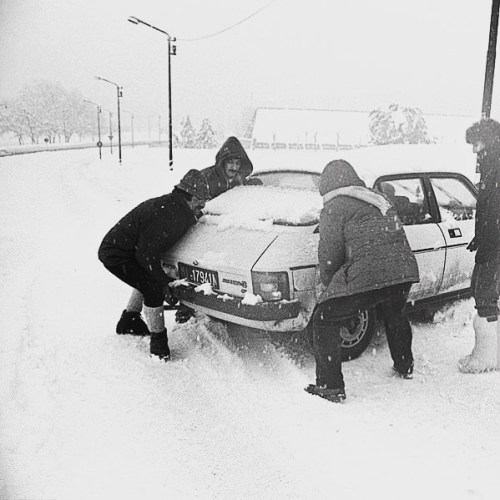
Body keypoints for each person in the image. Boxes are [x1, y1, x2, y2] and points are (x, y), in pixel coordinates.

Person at [305, 160, 420, 403]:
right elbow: (394, 232)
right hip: (402, 270)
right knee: (395, 312)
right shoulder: (377, 198)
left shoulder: (334, 207)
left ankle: (330, 386)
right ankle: (404, 365)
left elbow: (329, 257)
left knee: (324, 318)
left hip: (372, 273)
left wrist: (330, 286)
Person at [98, 169, 210, 361]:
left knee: (146, 280)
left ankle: (128, 322)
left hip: (126, 250)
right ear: (190, 197)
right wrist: (164, 282)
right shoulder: (171, 214)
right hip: (116, 253)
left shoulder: (174, 207)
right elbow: (146, 254)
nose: (203, 205)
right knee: (152, 289)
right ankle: (158, 346)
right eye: (200, 200)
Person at [174, 136, 254, 324]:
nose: (234, 167)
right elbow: (189, 203)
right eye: (230, 163)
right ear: (222, 163)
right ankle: (186, 305)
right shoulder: (206, 178)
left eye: (237, 163)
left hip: (222, 230)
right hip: (198, 227)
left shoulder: (239, 180)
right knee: (194, 266)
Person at [458, 118, 500, 373]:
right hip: (491, 240)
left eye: (476, 143)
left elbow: (494, 209)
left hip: (495, 244)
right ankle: (490, 354)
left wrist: (489, 242)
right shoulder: (490, 165)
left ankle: (486, 358)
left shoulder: (495, 166)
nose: (474, 149)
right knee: (485, 293)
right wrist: (480, 235)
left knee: (484, 294)